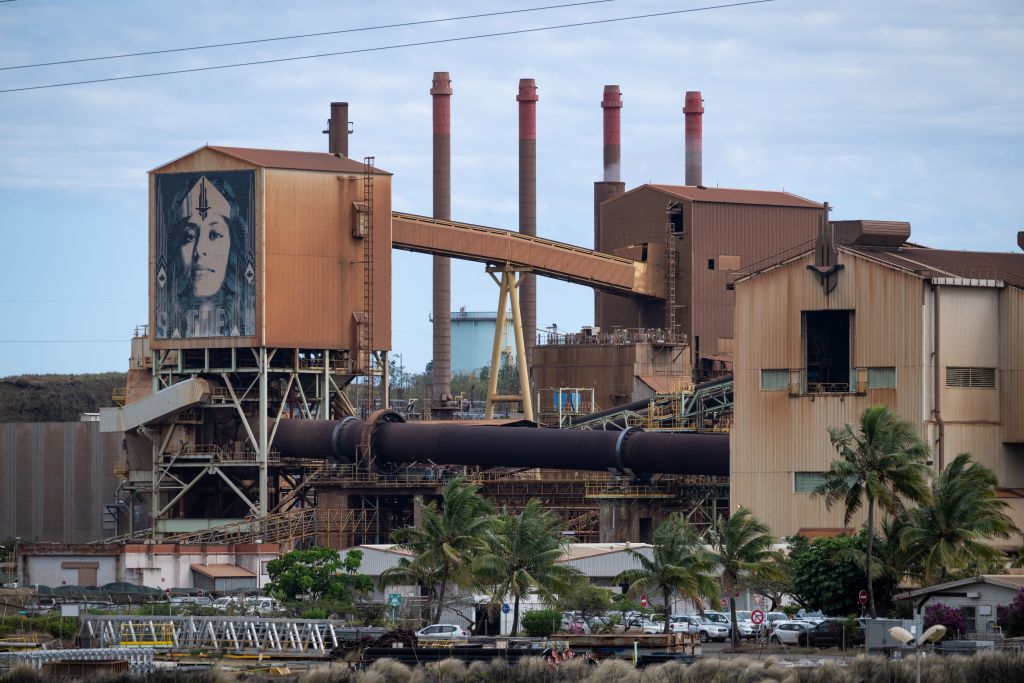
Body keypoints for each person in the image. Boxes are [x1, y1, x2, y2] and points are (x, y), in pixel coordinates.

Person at [156, 174, 254, 338]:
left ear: (233, 247)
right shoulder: (167, 324)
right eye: (189, 237)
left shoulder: (247, 321)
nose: (200, 249)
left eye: (214, 235)